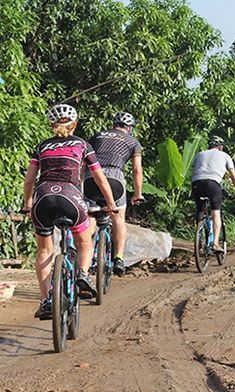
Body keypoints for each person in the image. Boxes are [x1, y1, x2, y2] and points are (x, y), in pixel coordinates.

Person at [22, 104, 118, 319]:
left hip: (43, 197)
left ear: (52, 125)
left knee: (44, 251)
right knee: (84, 241)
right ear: (75, 124)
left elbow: (29, 180)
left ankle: (47, 300)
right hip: (71, 198)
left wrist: (28, 204)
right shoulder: (83, 145)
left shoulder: (42, 146)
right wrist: (110, 204)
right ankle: (83, 273)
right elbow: (100, 178)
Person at [84, 111, 144, 276]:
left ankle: (85, 258)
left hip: (92, 178)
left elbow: (84, 162)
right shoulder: (133, 141)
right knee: (118, 218)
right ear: (129, 128)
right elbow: (137, 170)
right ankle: (118, 257)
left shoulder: (96, 136)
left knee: (90, 218)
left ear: (113, 125)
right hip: (114, 178)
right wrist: (137, 193)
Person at [191, 136, 235, 253]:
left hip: (197, 184)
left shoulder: (200, 154)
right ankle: (215, 244)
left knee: (200, 210)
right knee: (216, 214)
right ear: (220, 147)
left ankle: (199, 239)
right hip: (213, 184)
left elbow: (193, 174)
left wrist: (192, 191)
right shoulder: (225, 156)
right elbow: (234, 177)